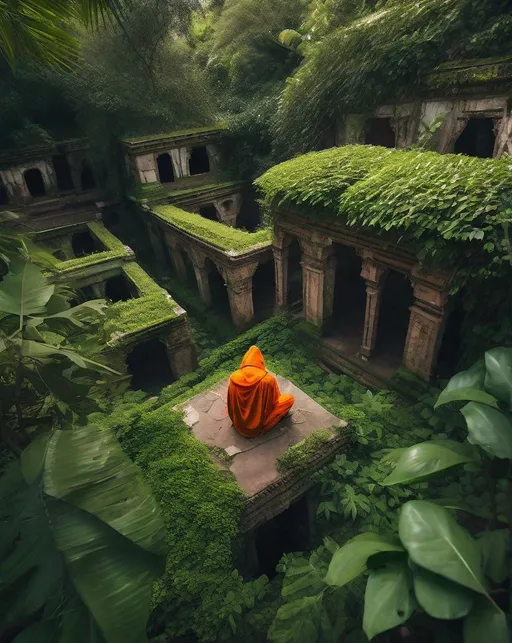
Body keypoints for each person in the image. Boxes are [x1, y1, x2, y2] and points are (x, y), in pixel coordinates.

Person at [227, 345, 294, 438]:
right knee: (289, 399)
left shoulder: (234, 377)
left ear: (244, 361)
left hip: (238, 425)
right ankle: (263, 427)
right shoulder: (268, 380)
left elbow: (231, 404)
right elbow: (274, 402)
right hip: (257, 428)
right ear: (261, 362)